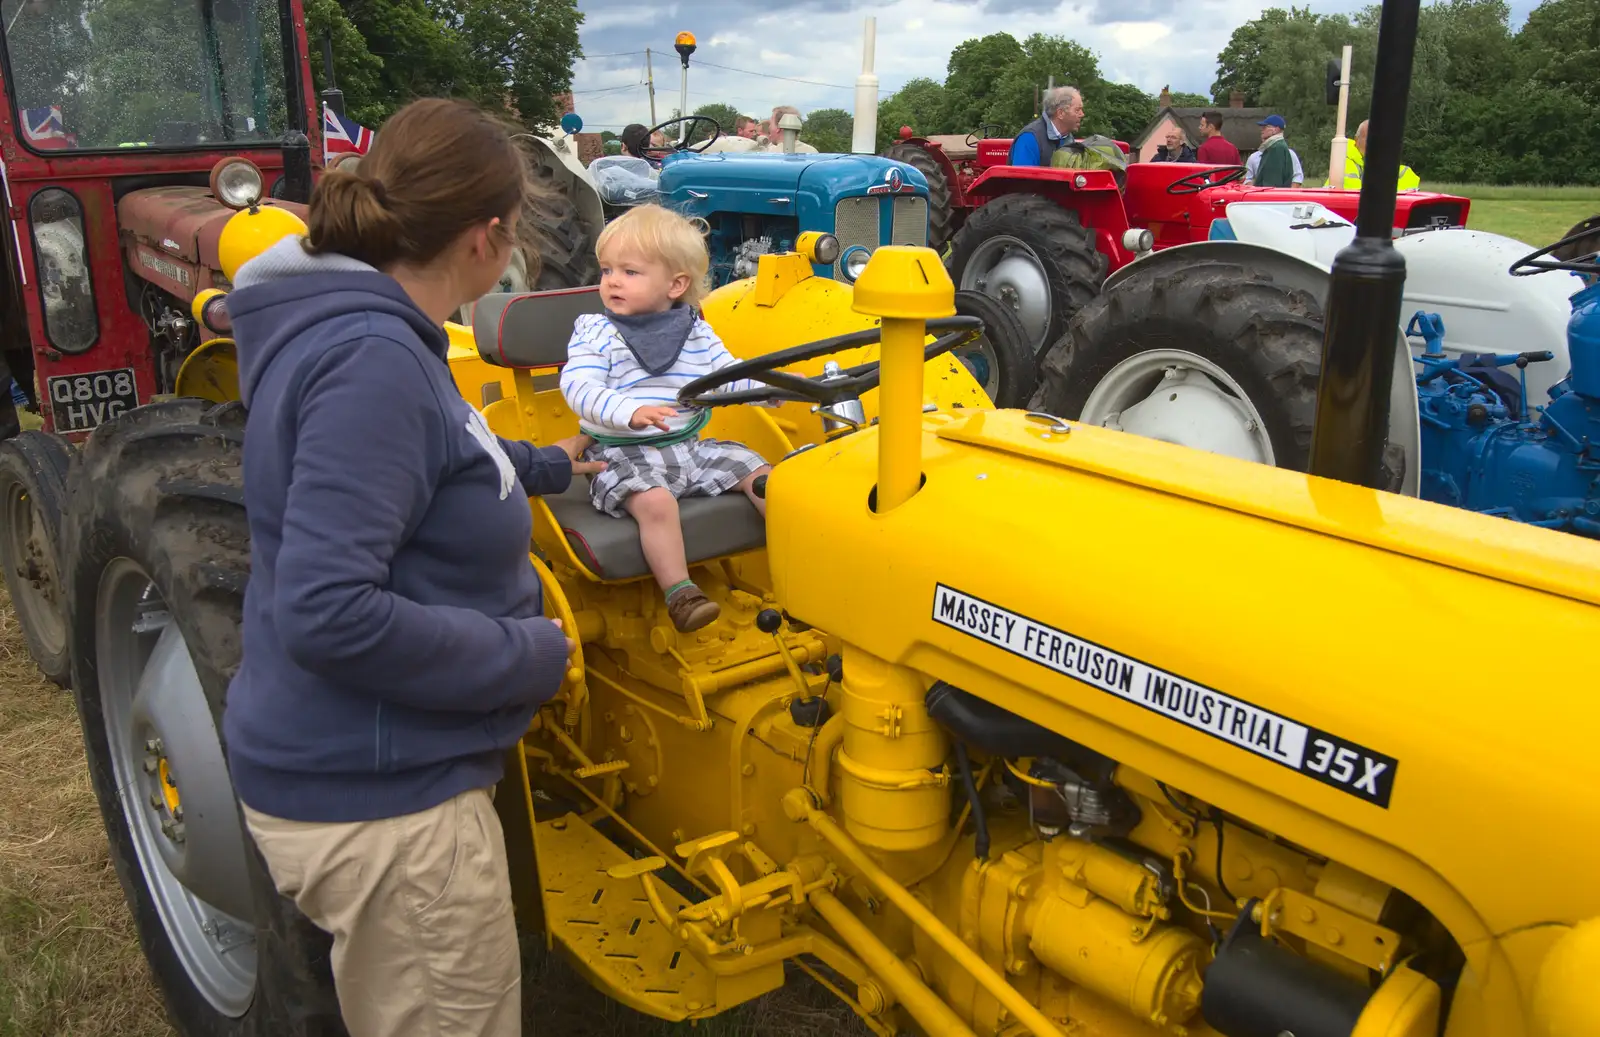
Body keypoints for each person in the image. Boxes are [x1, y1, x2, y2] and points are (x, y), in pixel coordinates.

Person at [220, 97, 603, 1037]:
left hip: (363, 770)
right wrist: (525, 654)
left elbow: (433, 456)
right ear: (487, 239)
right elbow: (329, 610)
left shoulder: (361, 324)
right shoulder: (375, 358)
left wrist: (551, 464)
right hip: (391, 812)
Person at [559, 205, 772, 633]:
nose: (612, 281)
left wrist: (766, 388)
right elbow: (578, 387)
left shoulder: (694, 330)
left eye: (630, 272)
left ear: (676, 284)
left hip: (692, 450)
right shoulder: (596, 332)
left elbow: (723, 377)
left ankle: (802, 565)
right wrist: (629, 412)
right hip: (624, 456)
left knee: (767, 478)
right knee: (655, 501)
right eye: (606, 270)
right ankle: (681, 594)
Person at [1323, 119, 1421, 191]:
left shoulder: (1396, 168)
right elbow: (1354, 193)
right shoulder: (1344, 162)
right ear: (1356, 140)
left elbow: (1410, 183)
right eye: (1370, 138)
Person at [1010, 85, 1084, 166]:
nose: (1082, 114)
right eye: (1077, 110)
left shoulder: (1068, 139)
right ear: (1061, 113)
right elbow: (1021, 177)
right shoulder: (1029, 139)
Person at [1244, 114, 1303, 187]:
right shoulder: (1267, 151)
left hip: (1273, 196)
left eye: (1265, 127)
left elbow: (1272, 182)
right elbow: (1247, 179)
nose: (1262, 130)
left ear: (1276, 129)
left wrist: (1289, 194)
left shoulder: (1277, 149)